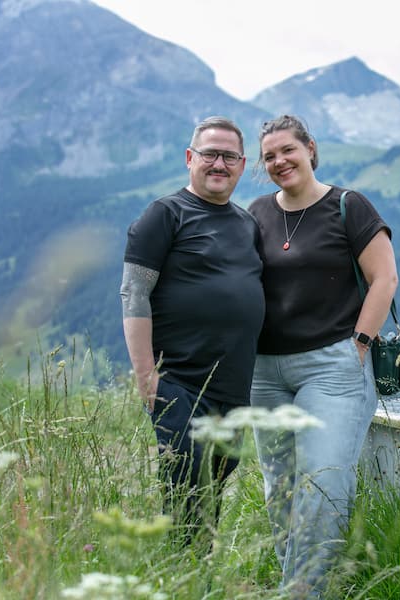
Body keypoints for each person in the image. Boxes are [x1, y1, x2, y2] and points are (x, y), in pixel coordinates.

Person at [248, 115, 398, 597]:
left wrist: (358, 346)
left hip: (332, 367)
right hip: (264, 371)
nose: (279, 162)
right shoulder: (255, 214)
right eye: (269, 156)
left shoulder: (348, 206)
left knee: (324, 486)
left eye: (287, 150)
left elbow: (385, 279)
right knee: (281, 490)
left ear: (310, 148)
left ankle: (302, 593)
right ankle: (302, 582)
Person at [119, 116, 265, 549]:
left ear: (241, 165)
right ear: (190, 159)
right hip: (179, 381)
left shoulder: (246, 224)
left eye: (229, 156)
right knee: (187, 482)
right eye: (210, 154)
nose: (218, 164)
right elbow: (134, 294)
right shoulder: (165, 214)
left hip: (234, 387)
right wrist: (147, 378)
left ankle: (193, 573)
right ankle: (182, 573)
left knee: (215, 481)